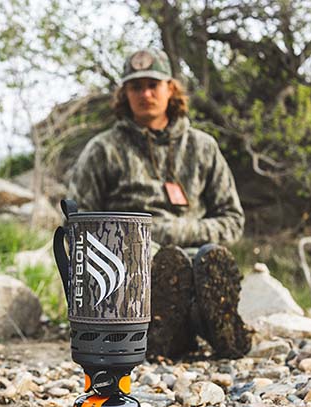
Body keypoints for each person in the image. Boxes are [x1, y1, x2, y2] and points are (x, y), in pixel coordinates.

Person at [67, 48, 251, 359]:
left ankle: (215, 325)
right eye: (136, 87)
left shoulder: (203, 147)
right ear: (125, 94)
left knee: (204, 263)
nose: (145, 93)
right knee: (159, 269)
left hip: (194, 255)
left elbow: (233, 220)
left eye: (153, 84)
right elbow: (77, 223)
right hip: (130, 262)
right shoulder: (103, 149)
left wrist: (174, 231)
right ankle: (167, 330)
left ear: (170, 89)